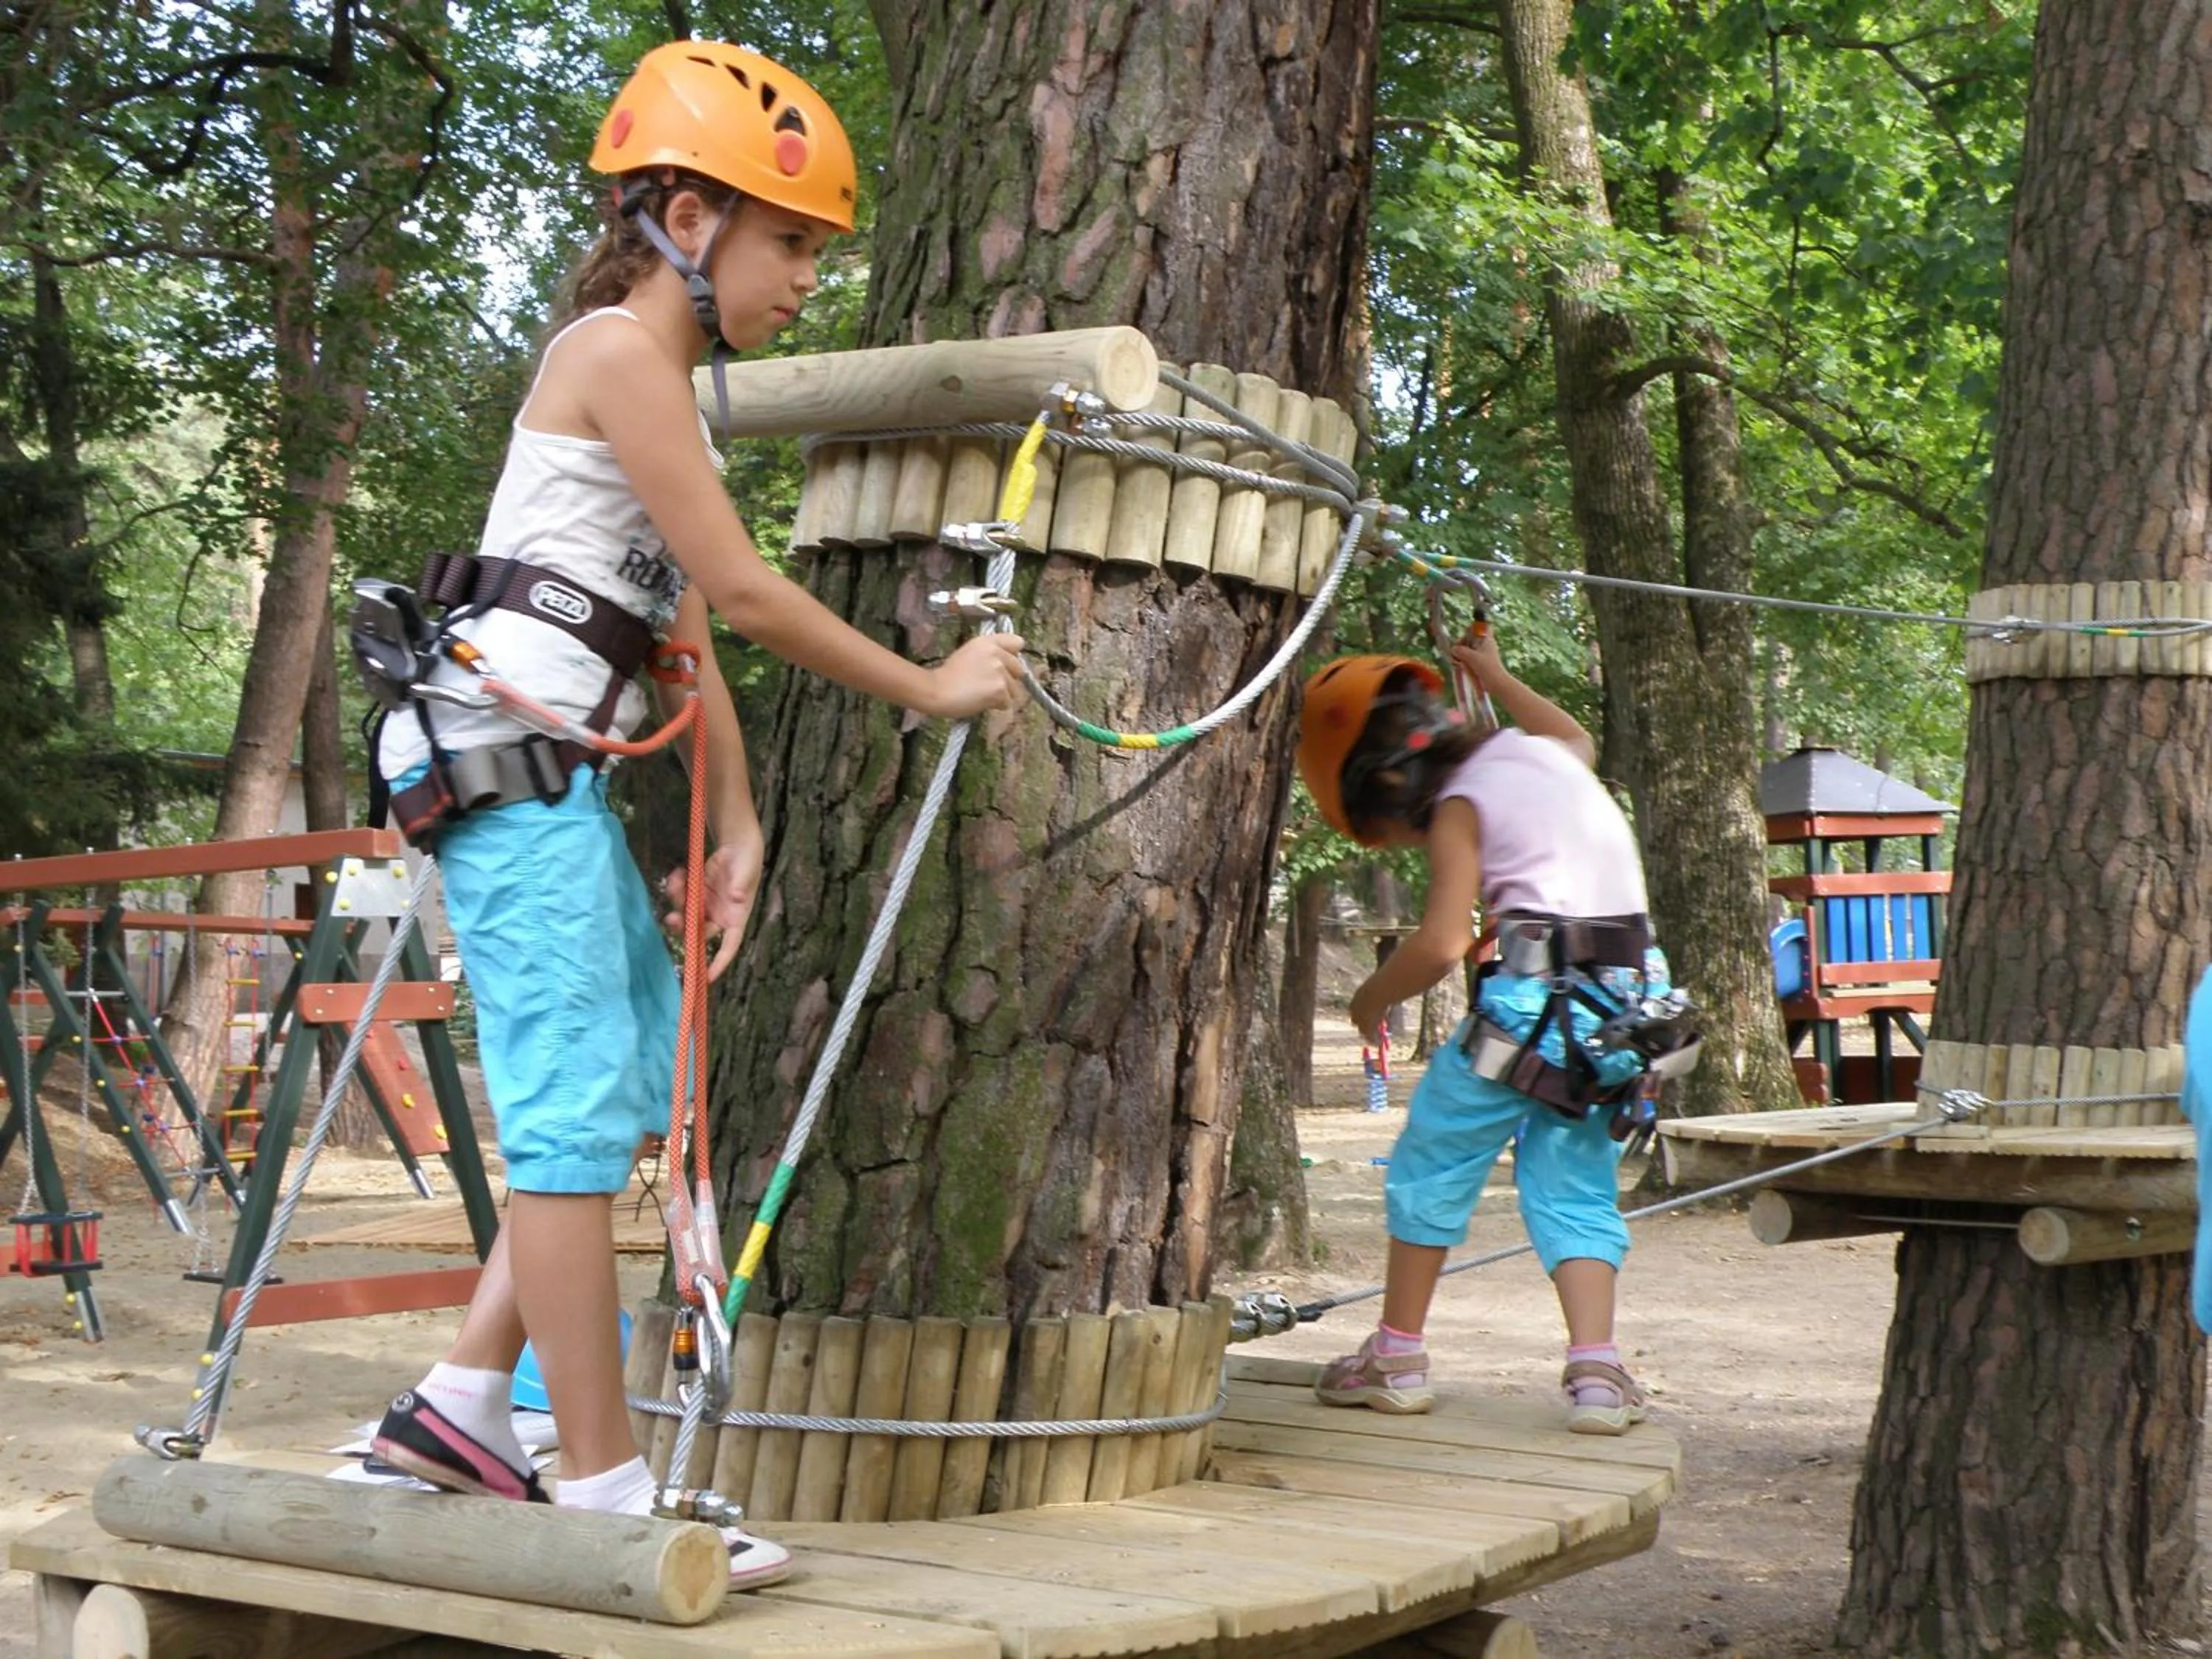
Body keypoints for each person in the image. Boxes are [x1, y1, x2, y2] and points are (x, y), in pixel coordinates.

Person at [362, 42, 1024, 1588]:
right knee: (572, 1129)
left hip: (553, 784)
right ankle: (596, 1488)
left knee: (638, 1074)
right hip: (502, 781)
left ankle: (462, 1410)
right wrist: (931, 688)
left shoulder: (660, 398)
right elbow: (744, 591)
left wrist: (731, 830)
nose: (807, 278)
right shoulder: (612, 354)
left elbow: (677, 635)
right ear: (681, 212)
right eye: (790, 240)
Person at [1293, 636, 1668, 1435]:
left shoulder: (1462, 804)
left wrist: (1370, 999)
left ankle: (1396, 1356)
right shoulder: (1545, 760)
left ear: (1392, 783)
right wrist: (1497, 676)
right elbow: (1578, 737)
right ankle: (1596, 1372)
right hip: (1629, 1013)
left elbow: (1440, 944)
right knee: (1576, 1184)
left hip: (1529, 1012)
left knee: (1433, 1161)